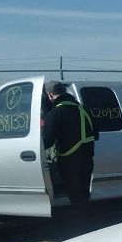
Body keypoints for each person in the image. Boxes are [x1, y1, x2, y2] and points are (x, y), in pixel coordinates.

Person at [42, 80, 97, 213]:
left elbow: (46, 142)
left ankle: (81, 227)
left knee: (75, 196)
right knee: (83, 195)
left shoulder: (55, 114)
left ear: (50, 95)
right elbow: (95, 133)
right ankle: (87, 221)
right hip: (87, 160)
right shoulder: (84, 110)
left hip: (69, 163)